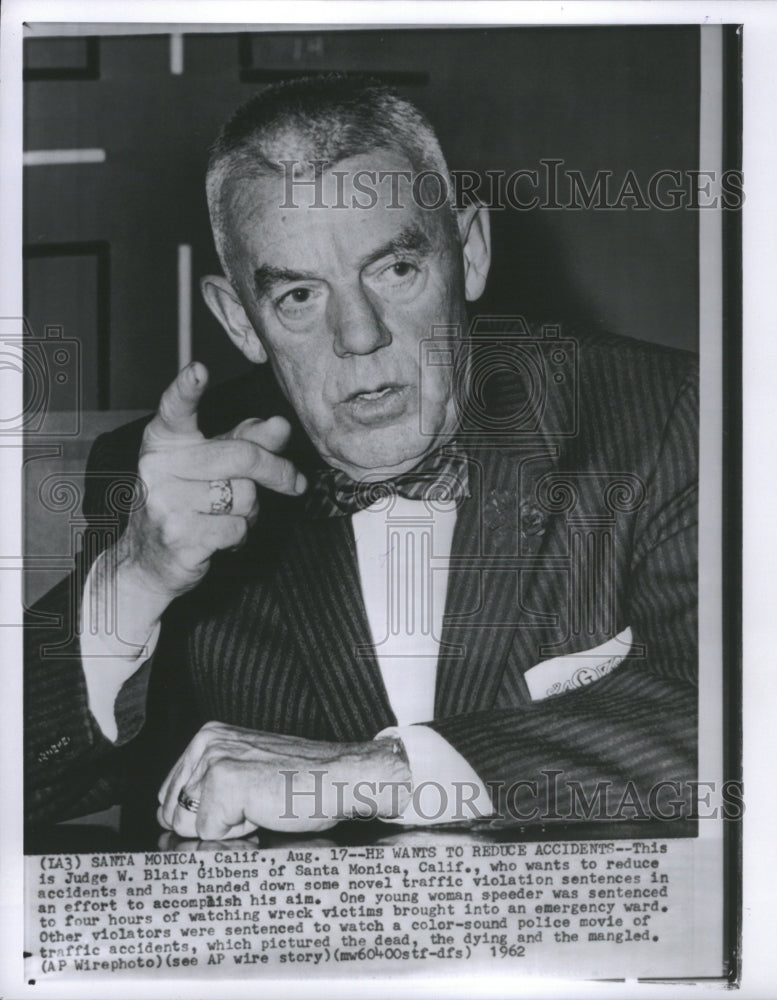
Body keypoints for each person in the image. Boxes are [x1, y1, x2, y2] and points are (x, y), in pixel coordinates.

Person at [24, 76, 698, 841]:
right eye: (299, 297)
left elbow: (748, 723)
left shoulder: (664, 415)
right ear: (239, 321)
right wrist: (133, 579)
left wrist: (368, 774)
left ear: (469, 253)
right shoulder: (168, 476)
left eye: (395, 270)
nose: (358, 335)